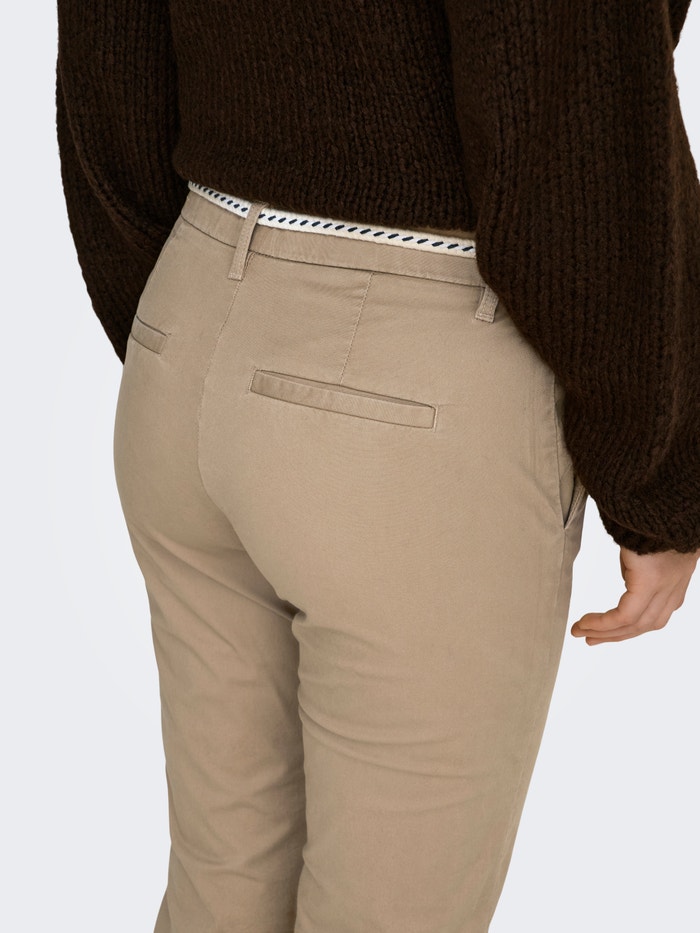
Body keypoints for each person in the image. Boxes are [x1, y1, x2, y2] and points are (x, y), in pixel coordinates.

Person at [55, 2, 700, 930]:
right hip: (407, 387)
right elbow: (567, 104)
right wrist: (659, 474)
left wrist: (192, 332)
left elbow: (110, 53)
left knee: (221, 888)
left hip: (187, 322)